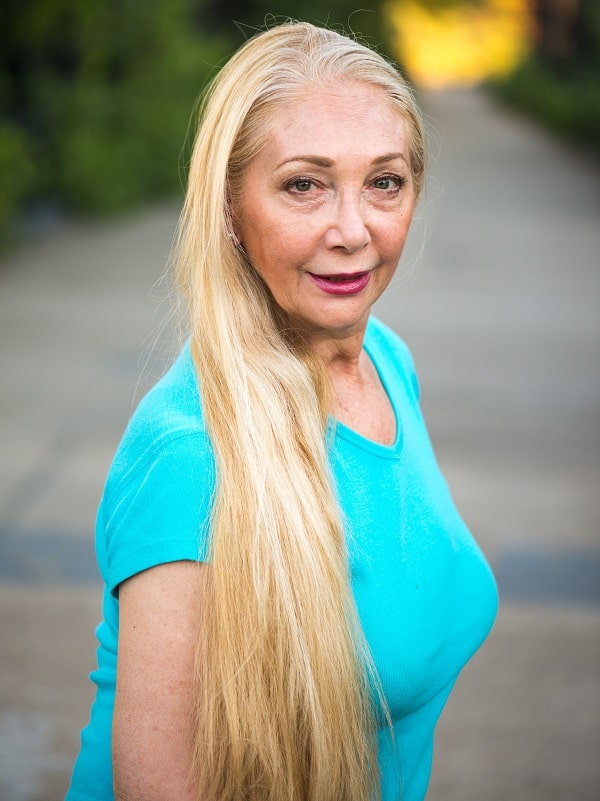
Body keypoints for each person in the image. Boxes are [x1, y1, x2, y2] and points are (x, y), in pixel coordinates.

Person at [65, 20, 498, 801]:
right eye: (304, 184)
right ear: (231, 208)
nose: (352, 229)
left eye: (385, 182)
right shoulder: (190, 456)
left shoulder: (387, 362)